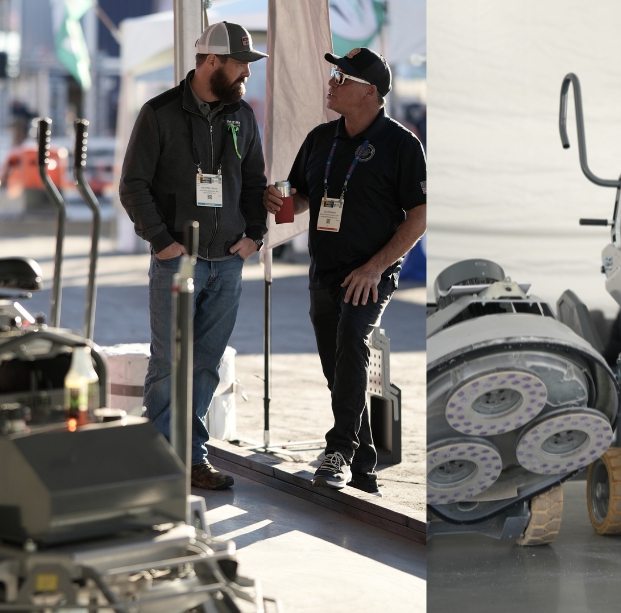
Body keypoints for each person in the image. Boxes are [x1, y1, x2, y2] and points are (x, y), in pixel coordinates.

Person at [263, 47, 426, 493]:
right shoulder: (320, 139)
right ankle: (364, 466)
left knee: (353, 341)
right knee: (338, 370)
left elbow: (419, 216)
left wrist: (375, 268)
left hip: (370, 273)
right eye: (334, 75)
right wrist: (278, 201)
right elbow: (299, 199)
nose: (331, 83)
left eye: (342, 78)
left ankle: (337, 450)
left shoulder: (402, 144)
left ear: (370, 92)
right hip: (325, 271)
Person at [118, 21, 266, 490]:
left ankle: (192, 457)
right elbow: (133, 185)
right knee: (169, 362)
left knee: (206, 363)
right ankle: (162, 460)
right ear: (211, 61)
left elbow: (256, 183)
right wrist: (162, 241)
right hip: (178, 261)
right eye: (240, 64)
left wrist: (255, 236)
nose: (247, 73)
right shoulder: (159, 113)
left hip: (229, 261)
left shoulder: (242, 116)